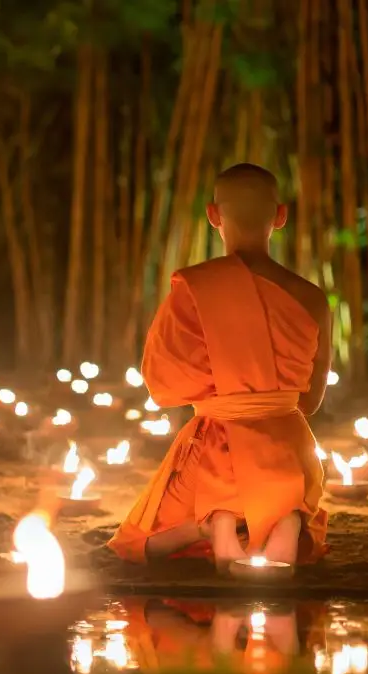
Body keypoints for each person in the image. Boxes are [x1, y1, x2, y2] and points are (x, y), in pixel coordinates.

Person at [108, 163, 330, 570]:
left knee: (135, 544)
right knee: (289, 482)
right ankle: (285, 517)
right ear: (281, 216)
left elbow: (163, 386)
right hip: (287, 453)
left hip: (215, 452)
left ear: (213, 215)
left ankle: (209, 525)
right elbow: (311, 402)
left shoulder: (196, 288)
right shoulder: (312, 299)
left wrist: (229, 397)